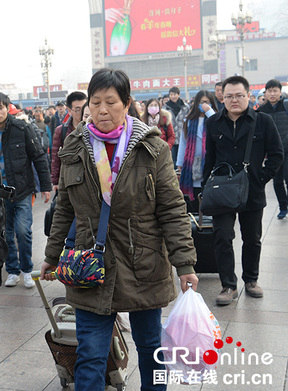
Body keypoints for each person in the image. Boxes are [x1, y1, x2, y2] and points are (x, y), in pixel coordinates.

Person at [40, 69, 198, 391]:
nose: (102, 110)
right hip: (90, 263)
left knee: (151, 348)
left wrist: (185, 264)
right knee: (90, 355)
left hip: (144, 261)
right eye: (95, 102)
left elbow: (171, 208)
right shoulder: (74, 147)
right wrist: (52, 255)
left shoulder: (152, 148)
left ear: (127, 103)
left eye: (110, 102)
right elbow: (65, 209)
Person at [204, 76, 283, 305]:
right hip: (222, 190)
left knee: (252, 238)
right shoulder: (213, 123)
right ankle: (228, 285)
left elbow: (277, 154)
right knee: (222, 236)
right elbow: (210, 157)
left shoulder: (263, 121)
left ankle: (251, 280)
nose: (234, 100)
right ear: (222, 97)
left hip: (252, 190)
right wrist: (205, 188)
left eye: (239, 95)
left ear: (248, 95)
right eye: (229, 96)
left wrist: (260, 179)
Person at [0, 92, 51, 289]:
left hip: (22, 189)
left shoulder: (22, 128)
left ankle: (27, 269)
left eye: (1, 107)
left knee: (22, 231)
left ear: (7, 107)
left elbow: (39, 156)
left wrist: (45, 186)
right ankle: (12, 270)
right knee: (6, 233)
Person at [175, 91, 217, 213]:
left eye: (207, 102)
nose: (204, 105)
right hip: (191, 163)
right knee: (193, 194)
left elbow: (218, 124)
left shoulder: (214, 118)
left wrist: (209, 112)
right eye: (201, 102)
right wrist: (180, 162)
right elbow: (183, 143)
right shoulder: (188, 121)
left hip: (209, 162)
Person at [257, 79, 288, 219]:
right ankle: (282, 207)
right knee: (277, 181)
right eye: (270, 91)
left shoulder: (286, 106)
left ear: (280, 92)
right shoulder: (261, 110)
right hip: (273, 153)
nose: (272, 93)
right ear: (266, 93)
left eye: (275, 90)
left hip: (287, 150)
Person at [51, 91, 87, 192]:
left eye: (85, 108)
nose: (83, 112)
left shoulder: (94, 128)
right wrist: (55, 181)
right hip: (68, 180)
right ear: (69, 110)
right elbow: (56, 157)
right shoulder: (62, 130)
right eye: (78, 109)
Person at [165, 87, 188, 164]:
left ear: (179, 95)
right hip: (171, 138)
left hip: (183, 137)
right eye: (171, 95)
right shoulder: (165, 108)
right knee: (172, 160)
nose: (173, 96)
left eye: (174, 94)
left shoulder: (185, 107)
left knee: (184, 159)